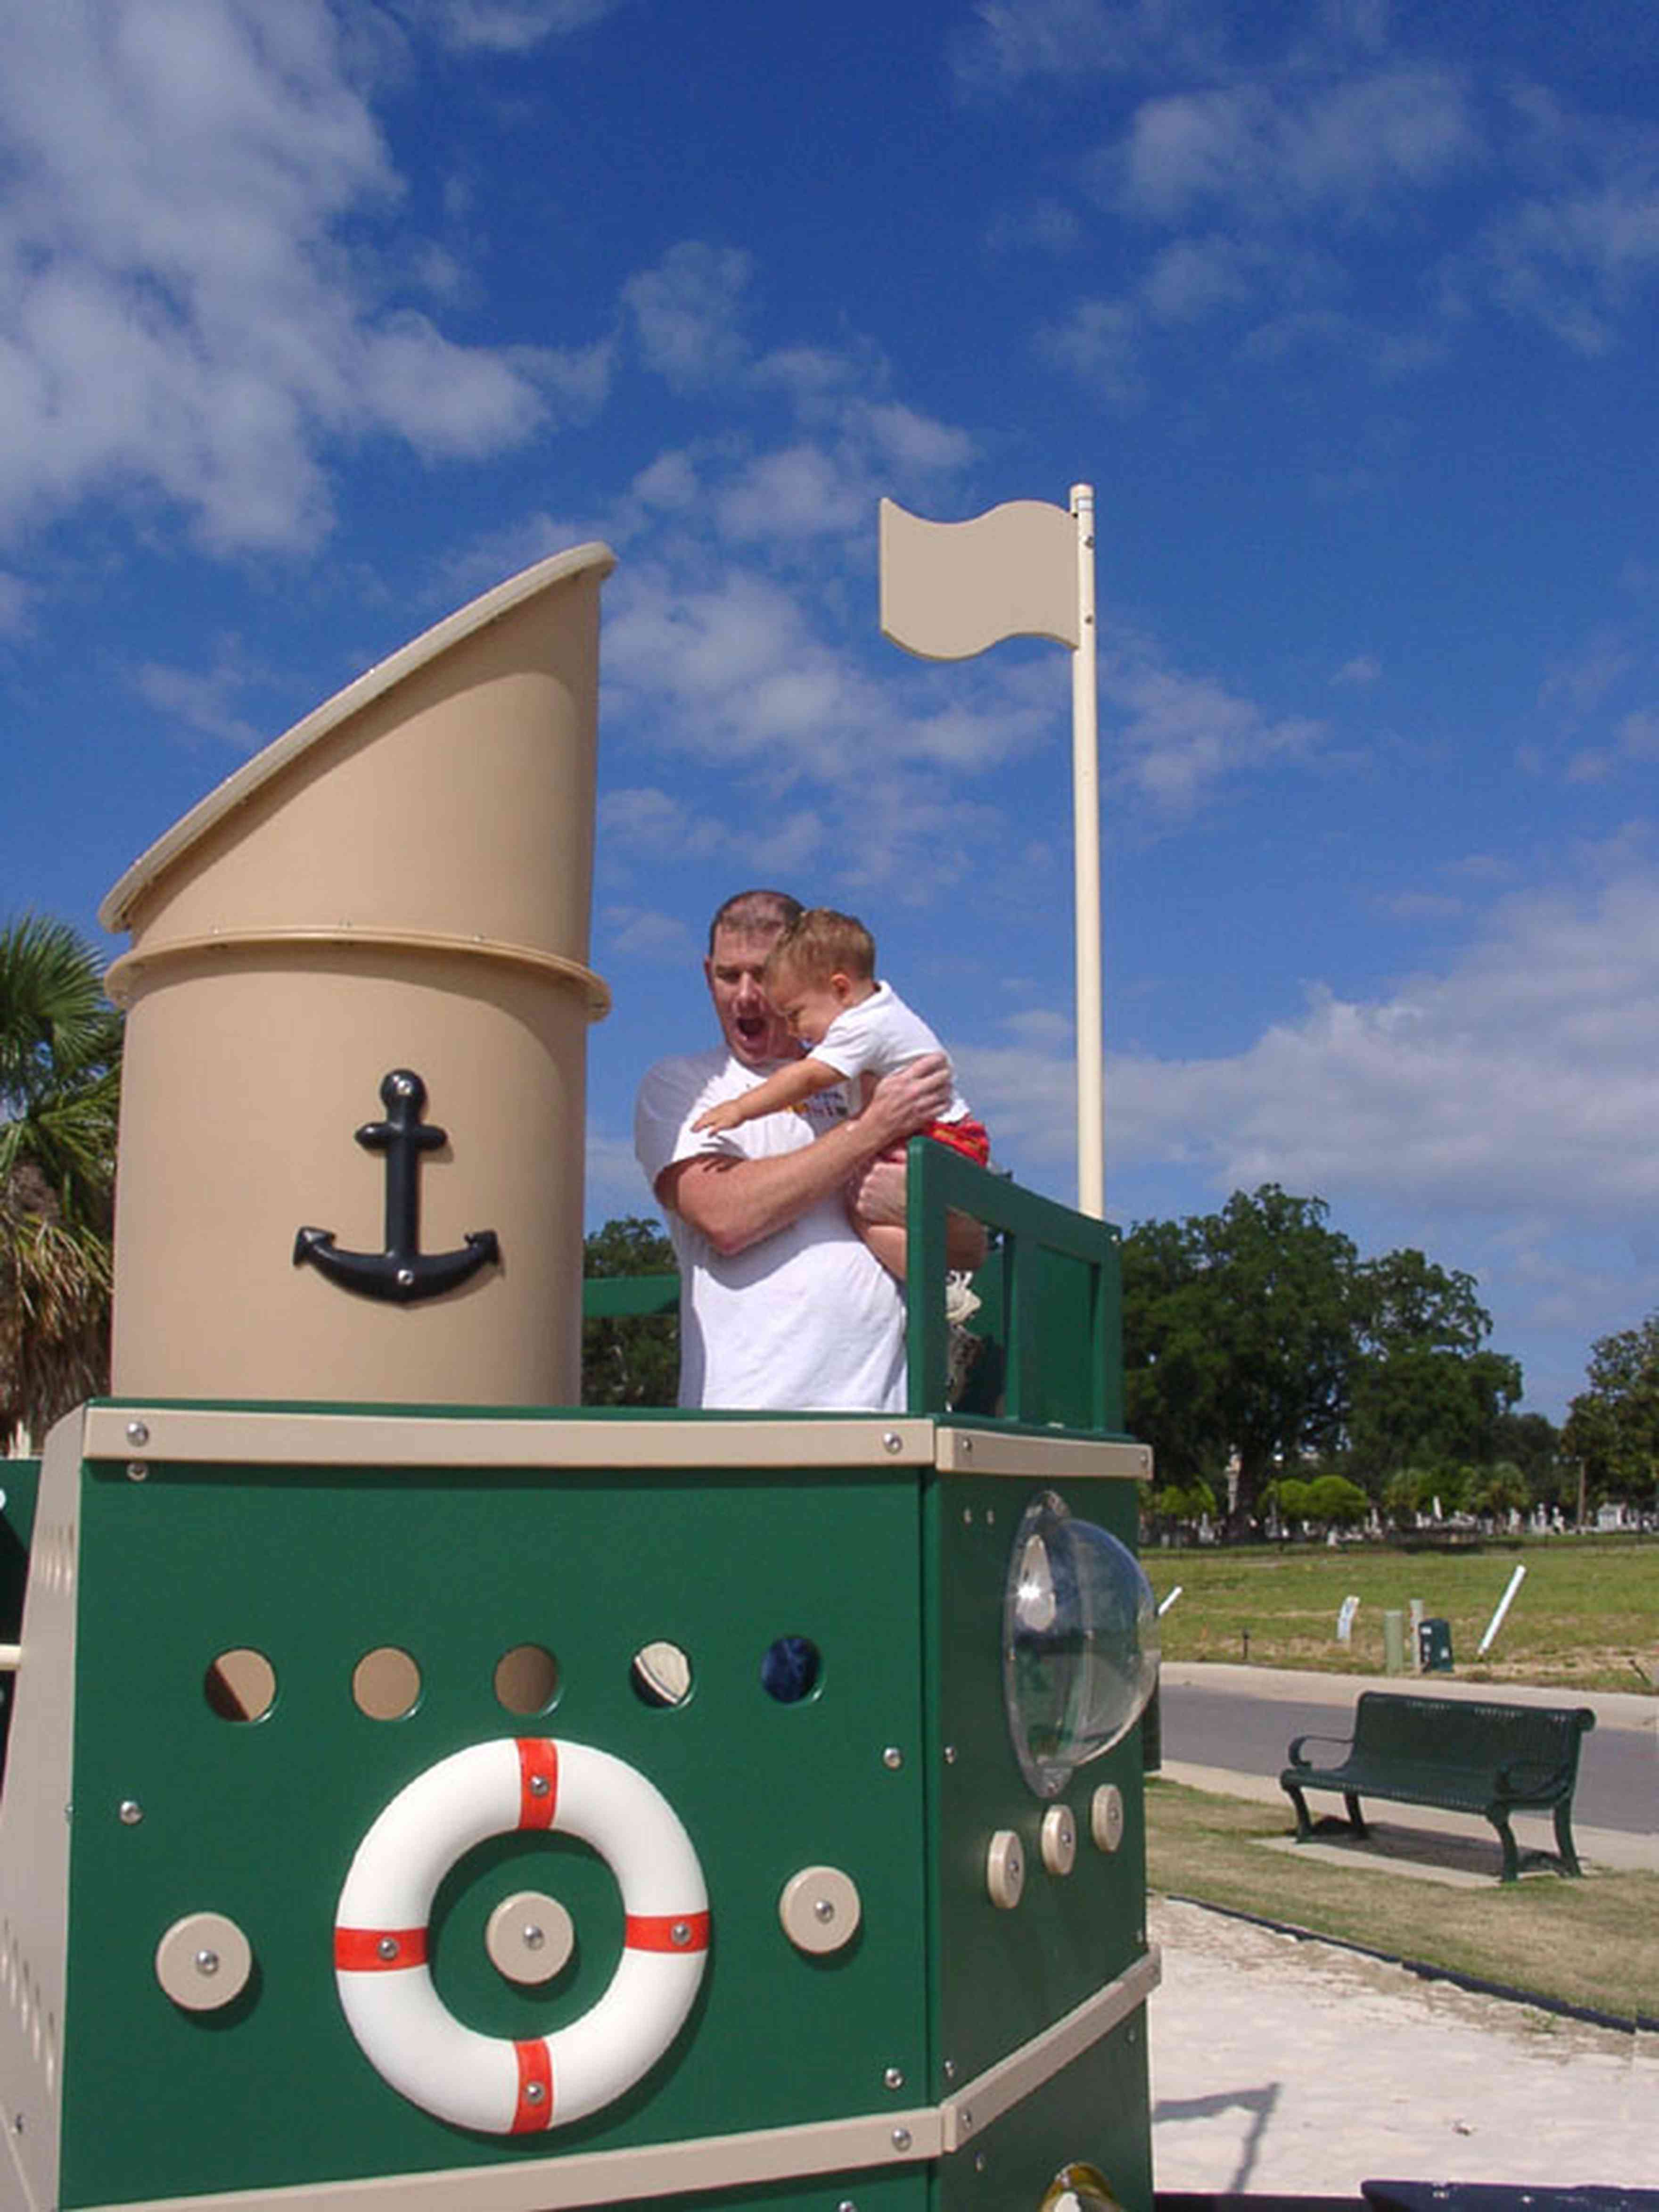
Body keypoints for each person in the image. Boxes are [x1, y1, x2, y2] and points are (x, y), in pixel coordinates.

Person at [633, 888, 968, 1411]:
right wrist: (871, 1129)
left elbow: (970, 1248)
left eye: (763, 975)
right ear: (706, 976)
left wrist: (911, 1200)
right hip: (748, 1420)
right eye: (728, 976)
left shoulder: (873, 1079)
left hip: (884, 1419)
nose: (746, 996)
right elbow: (725, 1217)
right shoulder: (683, 1087)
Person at [691, 907, 988, 1283]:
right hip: (953, 1141)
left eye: (795, 1014)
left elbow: (807, 1077)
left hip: (938, 1140)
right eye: (730, 975)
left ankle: (940, 1292)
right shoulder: (884, 1011)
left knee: (864, 1208)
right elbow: (724, 1222)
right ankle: (942, 1289)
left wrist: (741, 1108)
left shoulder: (860, 1027)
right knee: (865, 1211)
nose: (793, 1029)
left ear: (841, 989)